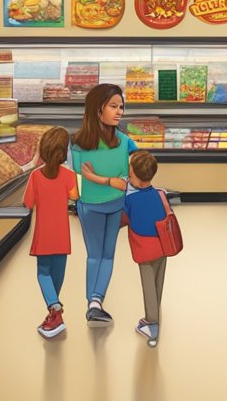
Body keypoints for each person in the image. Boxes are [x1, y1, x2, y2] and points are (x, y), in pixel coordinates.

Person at [70, 83, 136, 326]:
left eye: (121, 107)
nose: (119, 112)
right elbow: (75, 176)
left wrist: (120, 181)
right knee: (95, 255)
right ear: (97, 109)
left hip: (117, 205)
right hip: (89, 206)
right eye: (113, 106)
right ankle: (93, 302)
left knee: (108, 255)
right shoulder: (77, 143)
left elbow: (138, 170)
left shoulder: (126, 142)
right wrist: (109, 181)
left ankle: (96, 301)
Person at [22, 127, 80, 338]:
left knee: (43, 273)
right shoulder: (69, 176)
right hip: (62, 234)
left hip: (43, 234)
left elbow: (27, 203)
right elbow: (75, 196)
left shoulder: (36, 177)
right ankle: (54, 315)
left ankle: (54, 307)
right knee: (57, 274)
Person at [123, 150, 170, 348]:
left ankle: (152, 323)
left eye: (130, 174)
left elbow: (124, 219)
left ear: (139, 180)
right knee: (158, 282)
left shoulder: (131, 200)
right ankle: (155, 312)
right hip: (163, 245)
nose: (128, 176)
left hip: (144, 248)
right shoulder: (160, 194)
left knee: (147, 284)